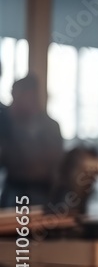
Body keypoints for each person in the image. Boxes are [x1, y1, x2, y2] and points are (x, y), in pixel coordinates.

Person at [0, 74, 64, 208]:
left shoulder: (50, 127)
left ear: (32, 95)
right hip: (13, 191)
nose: (14, 101)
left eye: (19, 95)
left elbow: (54, 162)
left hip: (41, 193)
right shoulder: (7, 123)